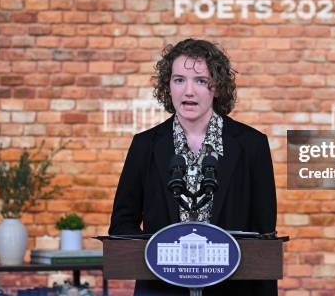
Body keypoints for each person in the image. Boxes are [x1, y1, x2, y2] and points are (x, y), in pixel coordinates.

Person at [109, 38, 277, 295]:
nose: (189, 91)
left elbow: (264, 238)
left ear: (217, 87)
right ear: (168, 86)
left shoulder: (252, 145)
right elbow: (122, 224)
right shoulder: (144, 145)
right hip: (161, 289)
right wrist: (159, 258)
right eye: (179, 80)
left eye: (200, 81)